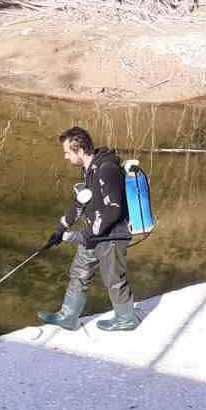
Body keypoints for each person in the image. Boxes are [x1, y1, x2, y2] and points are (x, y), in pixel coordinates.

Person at [38, 127, 139, 333]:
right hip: (94, 233)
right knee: (79, 272)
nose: (66, 157)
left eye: (68, 152)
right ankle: (68, 316)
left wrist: (85, 234)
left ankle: (126, 319)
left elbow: (114, 210)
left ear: (80, 150)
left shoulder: (107, 169)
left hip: (112, 235)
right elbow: (81, 202)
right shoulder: (89, 169)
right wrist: (60, 230)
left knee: (114, 279)